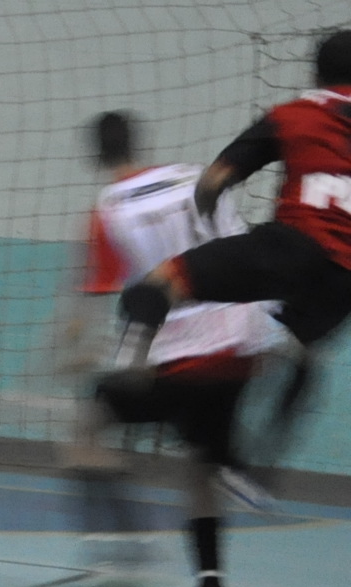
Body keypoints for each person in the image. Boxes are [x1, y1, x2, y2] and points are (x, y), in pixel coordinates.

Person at [71, 112, 287, 587]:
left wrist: (82, 346)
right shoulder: (197, 175)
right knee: (198, 468)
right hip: (240, 337)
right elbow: (241, 249)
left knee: (86, 424)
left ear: (96, 154)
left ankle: (120, 544)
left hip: (176, 348)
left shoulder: (109, 208)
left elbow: (108, 295)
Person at [117, 32, 351, 366]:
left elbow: (213, 182)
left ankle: (129, 366)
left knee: (160, 284)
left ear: (316, 74)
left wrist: (208, 225)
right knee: (294, 349)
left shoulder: (296, 115)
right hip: (344, 277)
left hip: (293, 245)